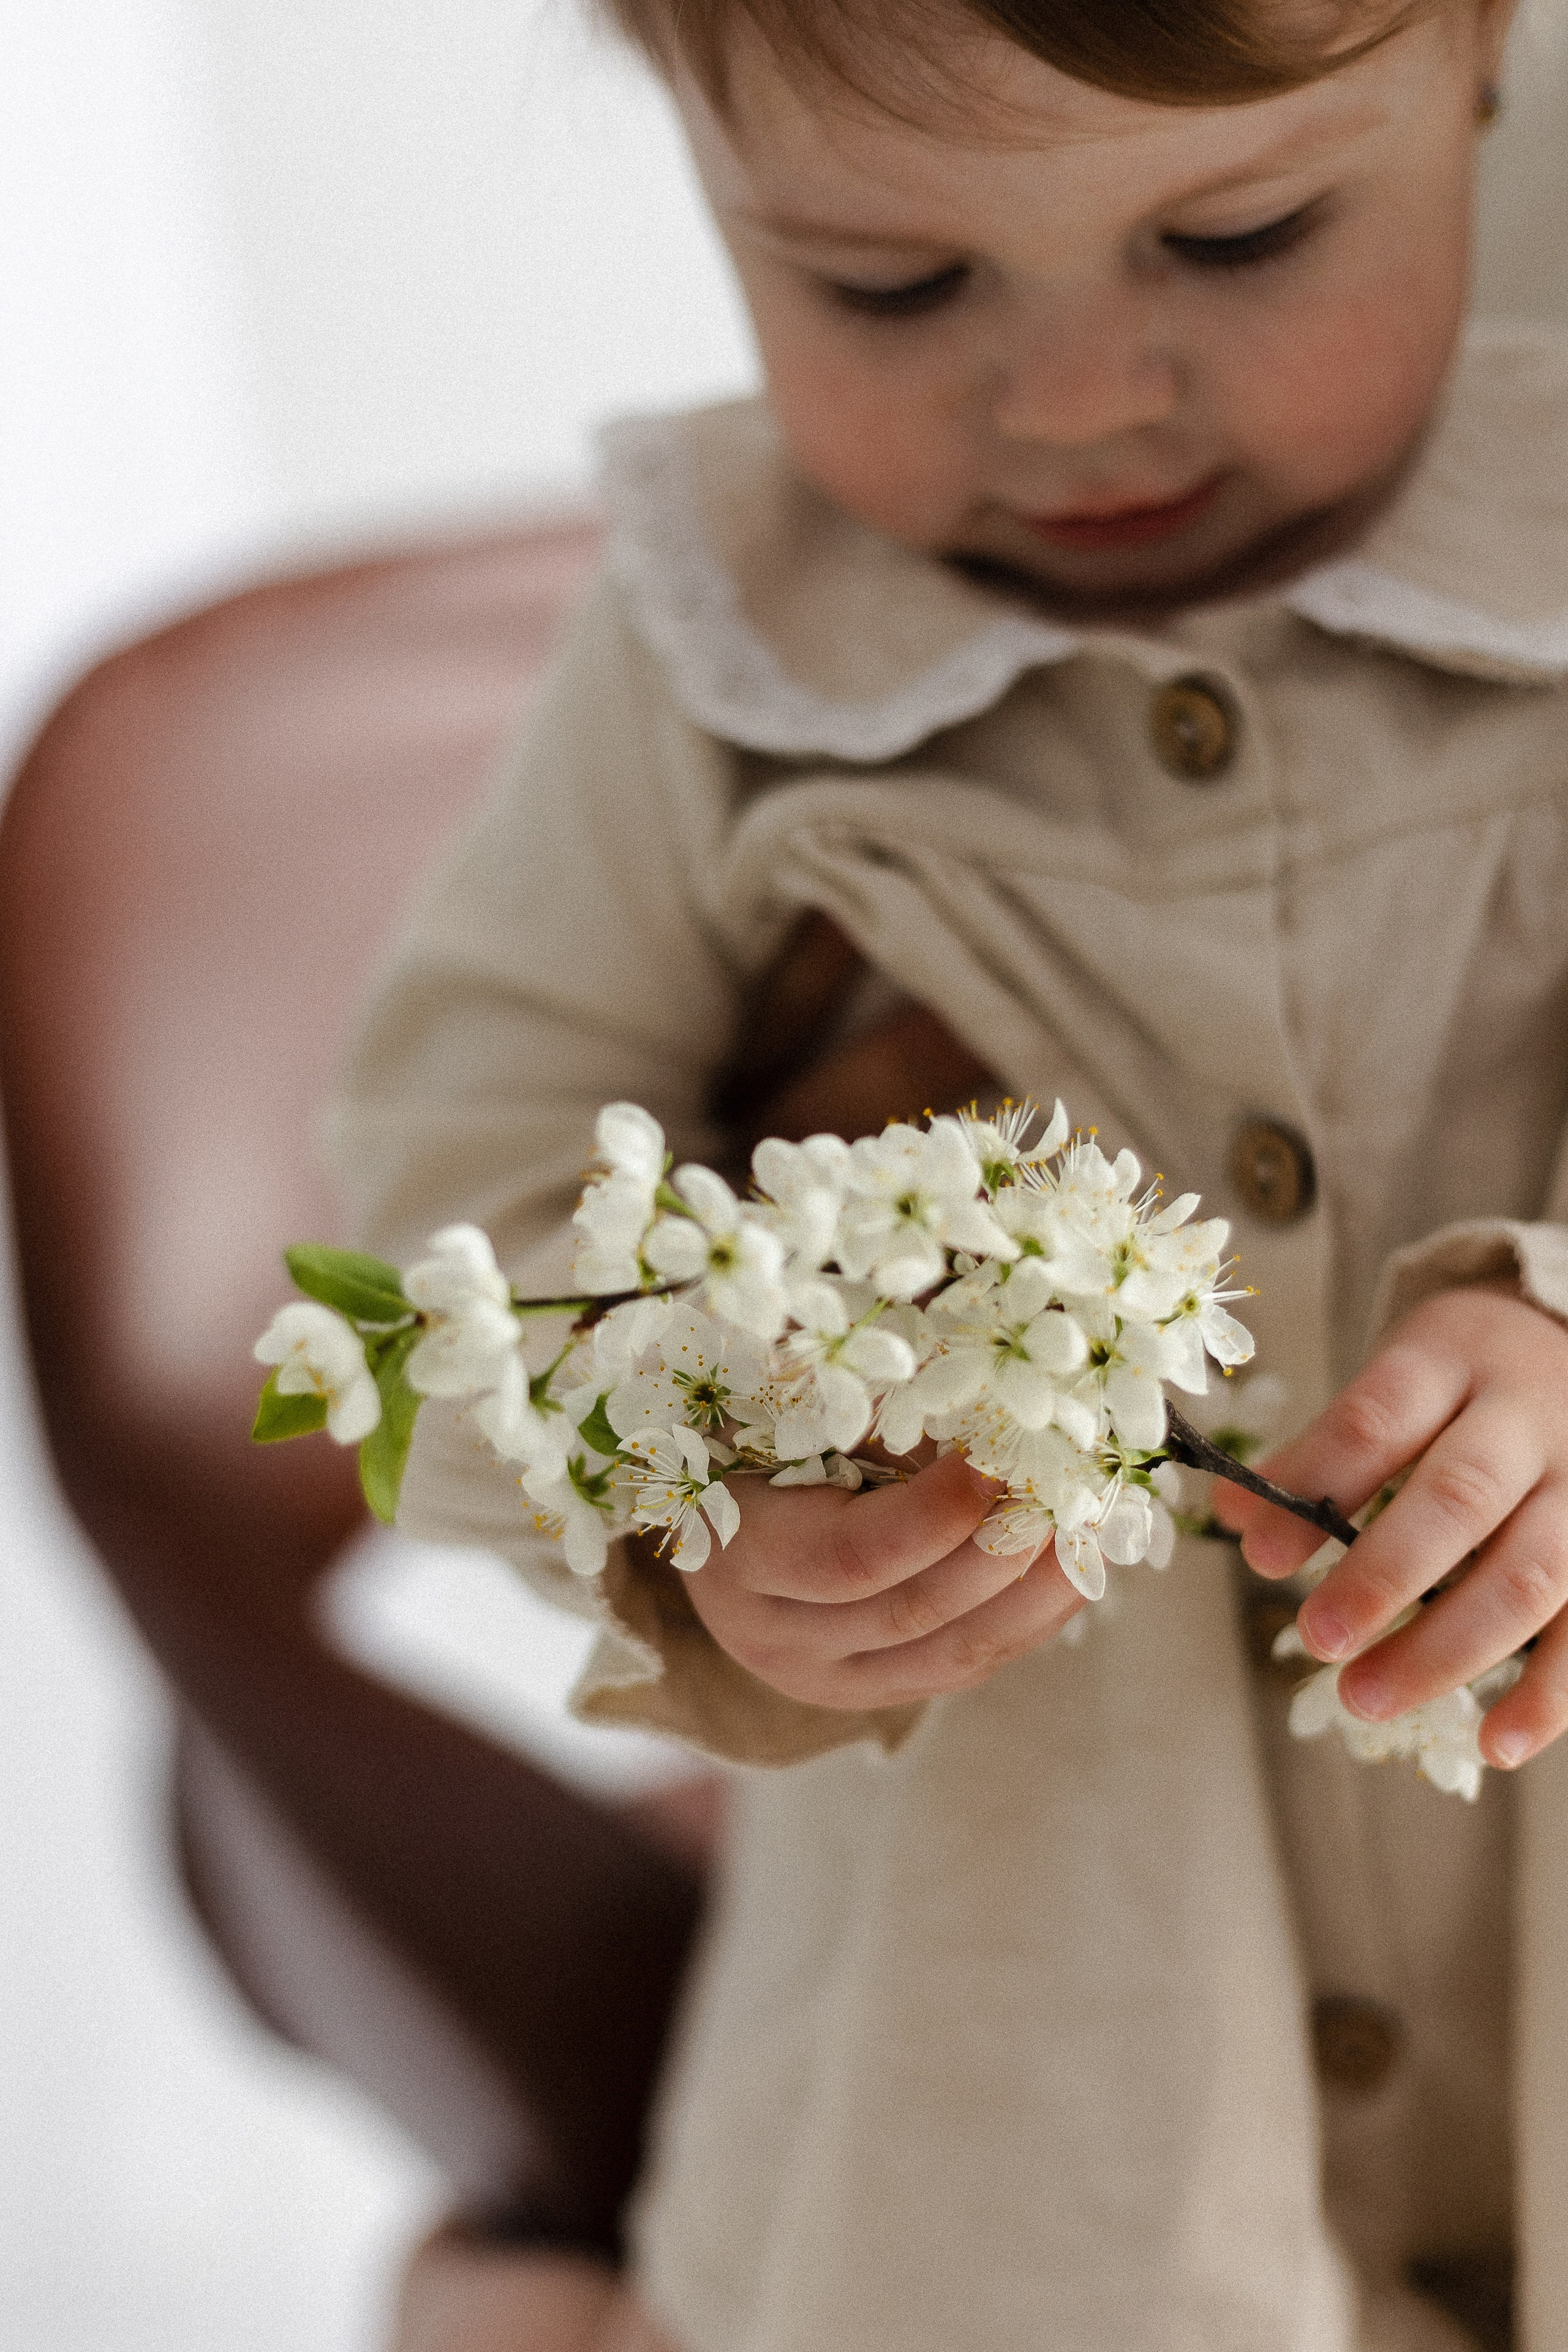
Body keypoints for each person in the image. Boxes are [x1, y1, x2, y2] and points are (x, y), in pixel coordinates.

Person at [330, 0, 1568, 2341]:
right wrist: (680, 1470)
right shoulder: (713, 657)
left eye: (1245, 232)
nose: (1081, 397)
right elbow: (419, 1258)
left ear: (1491, 61)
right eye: (887, 288)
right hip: (1036, 2111)